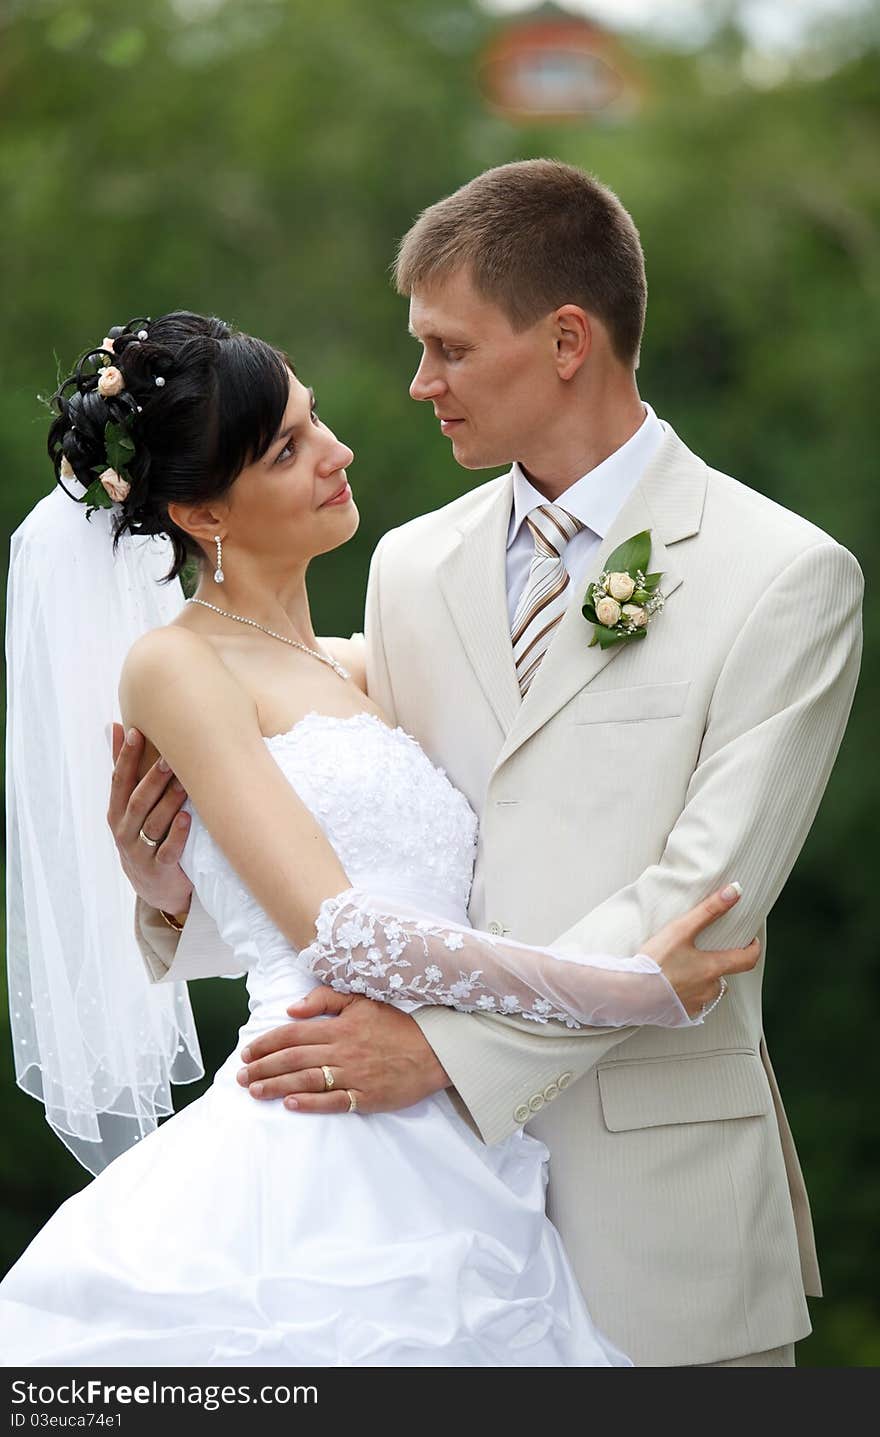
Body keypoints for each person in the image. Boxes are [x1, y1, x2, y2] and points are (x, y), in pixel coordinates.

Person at [123, 162, 864, 1368]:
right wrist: (169, 888)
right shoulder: (413, 565)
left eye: (448, 350)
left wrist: (440, 1055)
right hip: (413, 1214)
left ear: (567, 339)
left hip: (655, 1207)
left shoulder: (782, 574)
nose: (418, 386)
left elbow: (704, 907)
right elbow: (351, 828)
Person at [1, 309, 756, 1368]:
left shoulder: (364, 666)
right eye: (288, 449)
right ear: (201, 511)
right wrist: (625, 986)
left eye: (319, 423)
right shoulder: (176, 667)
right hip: (311, 1143)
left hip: (458, 1132)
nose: (337, 452)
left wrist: (172, 889)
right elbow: (340, 932)